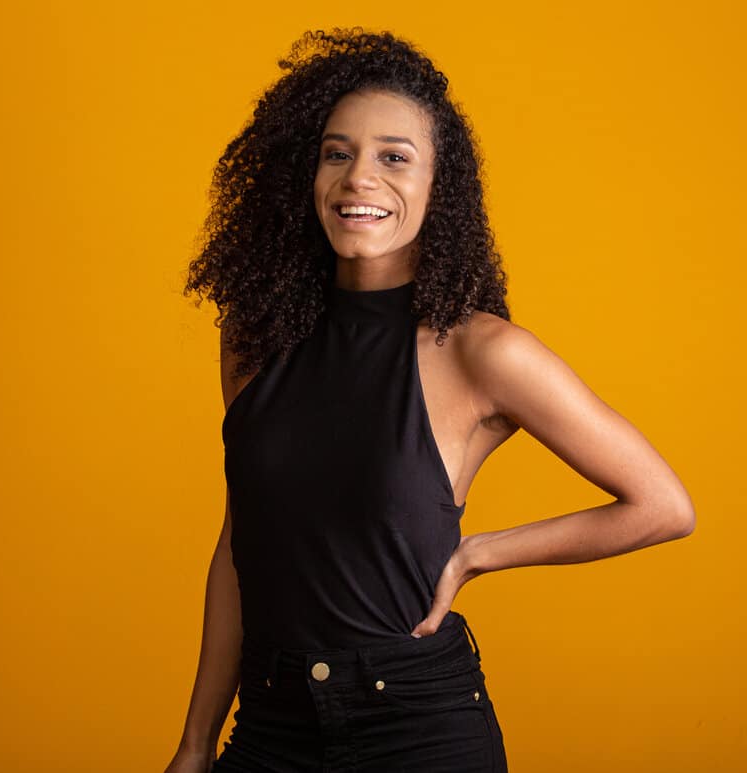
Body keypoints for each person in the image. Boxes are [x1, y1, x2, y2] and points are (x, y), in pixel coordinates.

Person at [165, 28, 695, 773]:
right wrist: (194, 743)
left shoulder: (481, 352)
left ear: (437, 187)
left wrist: (479, 553)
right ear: (307, 173)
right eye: (337, 153)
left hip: (416, 726)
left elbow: (664, 505)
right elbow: (237, 547)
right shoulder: (255, 337)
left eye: (394, 157)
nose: (359, 179)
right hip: (271, 725)